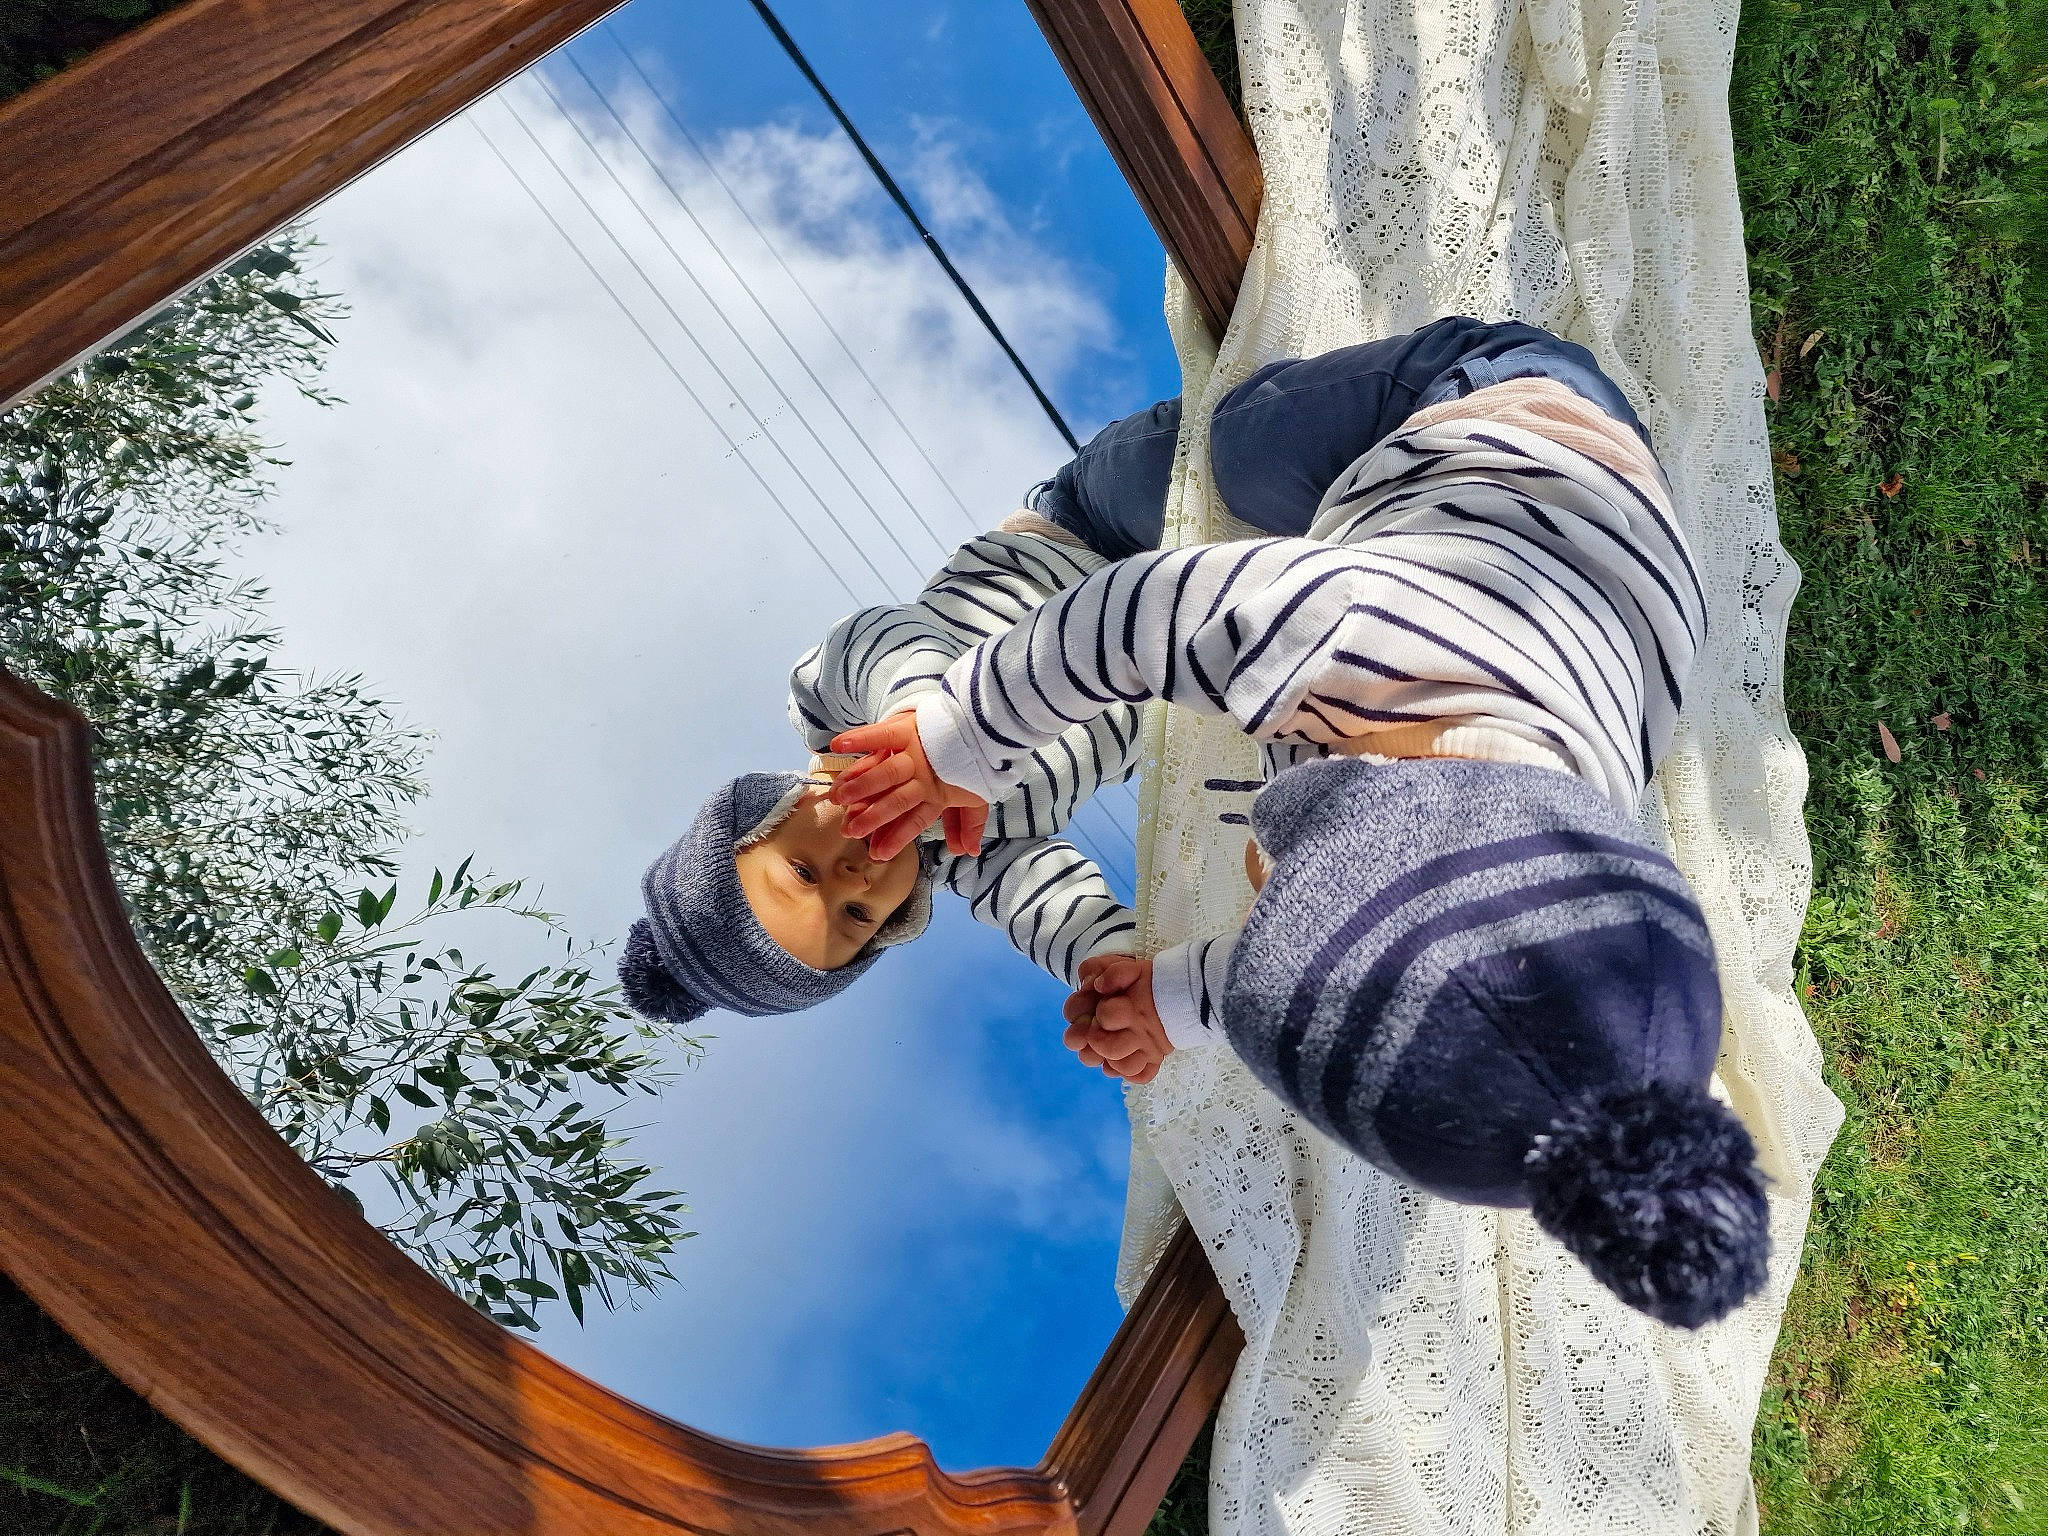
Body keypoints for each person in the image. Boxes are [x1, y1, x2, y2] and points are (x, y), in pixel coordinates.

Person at [825, 319, 1777, 1328]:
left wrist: (1178, 999)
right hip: (1507, 418)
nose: (1267, 893)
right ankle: (1130, 469)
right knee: (1235, 452)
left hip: (1633, 631)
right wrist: (955, 740)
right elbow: (1131, 615)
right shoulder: (1351, 622)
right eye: (1298, 883)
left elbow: (1344, 969)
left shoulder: (1501, 854)